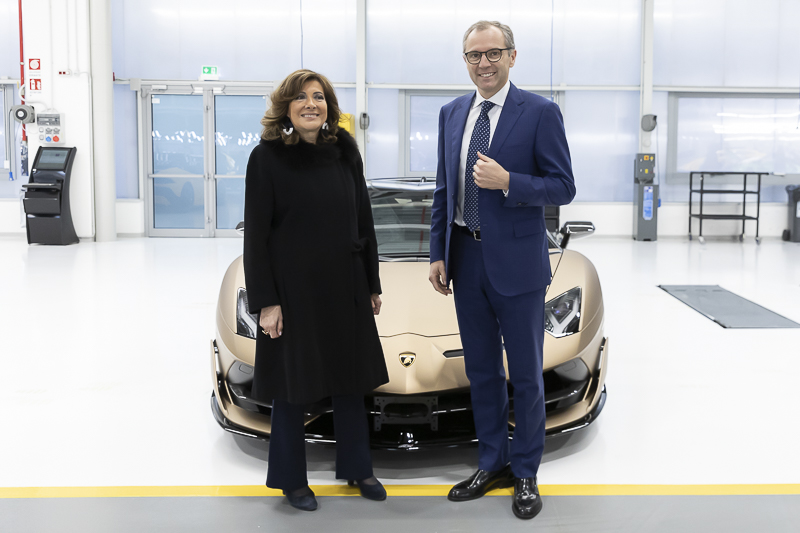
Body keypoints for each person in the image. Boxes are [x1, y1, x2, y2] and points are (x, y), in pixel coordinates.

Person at [428, 21, 576, 520]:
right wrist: (437, 251)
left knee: (527, 374)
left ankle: (526, 471)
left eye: (493, 53)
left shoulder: (539, 112)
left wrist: (510, 181)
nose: (484, 63)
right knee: (482, 371)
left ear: (512, 56)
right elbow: (443, 190)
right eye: (474, 55)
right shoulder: (452, 113)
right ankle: (491, 462)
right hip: (465, 258)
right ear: (465, 61)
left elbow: (562, 186)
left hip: (517, 264)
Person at [243, 69, 389, 512]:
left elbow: (363, 219)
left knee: (350, 379)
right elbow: (256, 238)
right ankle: (291, 479)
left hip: (345, 284)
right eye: (302, 97)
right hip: (293, 292)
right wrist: (266, 302)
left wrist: (371, 282)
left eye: (319, 96)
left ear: (329, 107)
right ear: (285, 107)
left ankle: (358, 468)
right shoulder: (266, 157)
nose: (312, 104)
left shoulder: (345, 150)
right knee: (293, 385)